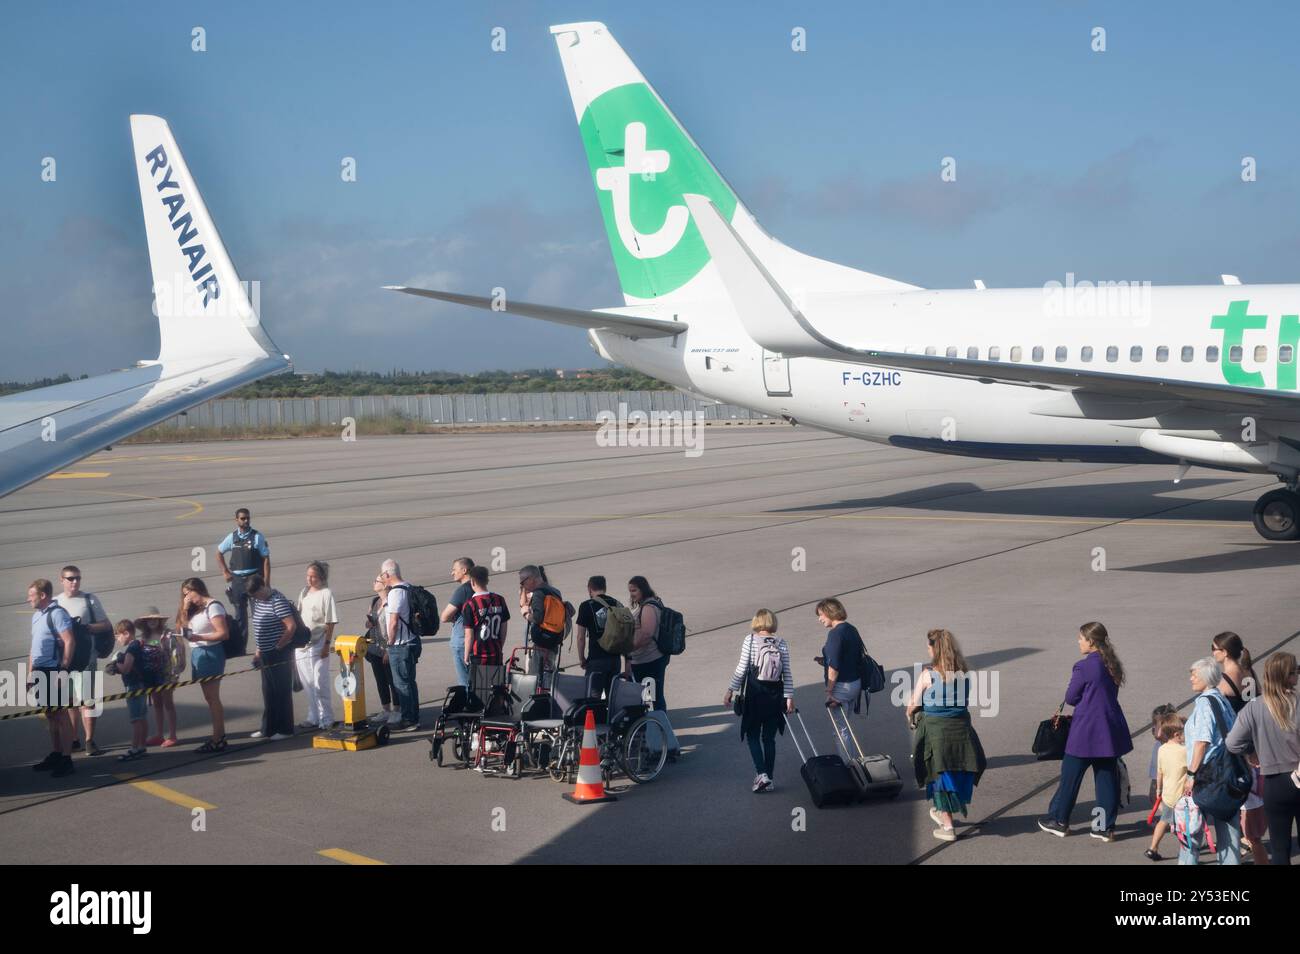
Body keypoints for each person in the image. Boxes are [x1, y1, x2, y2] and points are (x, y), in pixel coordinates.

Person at [1039, 622, 1132, 841]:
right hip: (1108, 731)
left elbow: (1071, 698)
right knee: (1106, 780)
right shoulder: (1112, 664)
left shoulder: (1084, 666)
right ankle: (1103, 827)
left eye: (1081, 638)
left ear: (1091, 641)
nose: (1078, 641)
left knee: (1070, 778)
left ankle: (1059, 820)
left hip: (1085, 732)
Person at [906, 629, 986, 841]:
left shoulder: (928, 674)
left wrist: (910, 713)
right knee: (957, 770)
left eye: (929, 645)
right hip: (961, 729)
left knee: (939, 772)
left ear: (935, 648)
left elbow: (913, 704)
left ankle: (948, 826)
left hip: (936, 730)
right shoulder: (964, 672)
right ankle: (946, 812)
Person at [1227, 652, 1300, 865]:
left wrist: (1251, 751)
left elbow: (1232, 743)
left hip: (1274, 783)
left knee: (1279, 847)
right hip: (1297, 774)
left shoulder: (1254, 706)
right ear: (1290, 677)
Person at [723, 609, 794, 794]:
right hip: (775, 695)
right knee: (769, 738)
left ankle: (762, 774)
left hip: (755, 694)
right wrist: (789, 698)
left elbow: (742, 667)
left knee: (752, 735)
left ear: (756, 622)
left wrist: (730, 690)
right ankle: (769, 779)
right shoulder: (781, 642)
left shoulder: (751, 640)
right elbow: (787, 672)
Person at [1211, 632, 1267, 860]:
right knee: (1252, 793)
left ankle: (1241, 843)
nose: (1212, 652)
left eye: (1214, 648)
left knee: (1235, 794)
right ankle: (1249, 838)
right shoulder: (1249, 673)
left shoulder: (1224, 681)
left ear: (1224, 652)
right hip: (1254, 739)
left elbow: (1219, 716)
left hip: (1236, 742)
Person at [1180, 655, 1242, 865]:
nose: (1191, 679)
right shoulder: (1221, 699)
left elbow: (1201, 742)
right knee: (1229, 828)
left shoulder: (1205, 703)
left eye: (1194, 675)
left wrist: (1191, 775)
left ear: (1206, 677)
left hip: (1206, 774)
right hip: (1226, 772)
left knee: (1191, 828)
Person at [54, 565, 110, 756]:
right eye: (70, 578)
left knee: (87, 700)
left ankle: (89, 739)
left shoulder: (89, 600)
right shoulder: (55, 602)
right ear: (62, 580)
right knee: (69, 701)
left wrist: (85, 628)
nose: (75, 582)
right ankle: (74, 738)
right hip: (65, 661)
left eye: (78, 578)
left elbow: (106, 625)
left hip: (87, 658)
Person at [26, 579, 76, 778]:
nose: (28, 599)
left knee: (61, 715)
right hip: (40, 670)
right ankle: (56, 753)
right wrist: (30, 672)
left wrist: (63, 667)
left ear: (43, 595)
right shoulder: (37, 616)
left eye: (31, 595)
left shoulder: (57, 614)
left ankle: (66, 759)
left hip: (53, 670)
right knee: (50, 714)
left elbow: (69, 640)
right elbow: (33, 647)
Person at [178, 578, 229, 752]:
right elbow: (183, 629)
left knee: (213, 697)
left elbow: (223, 633)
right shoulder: (193, 609)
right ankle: (219, 736)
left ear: (197, 590)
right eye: (184, 595)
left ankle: (218, 738)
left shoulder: (212, 606)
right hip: (198, 653)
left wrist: (200, 638)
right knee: (209, 698)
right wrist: (185, 609)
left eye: (188, 593)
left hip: (210, 653)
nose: (187, 598)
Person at [245, 573, 297, 740]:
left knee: (281, 690)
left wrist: (278, 646)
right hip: (265, 653)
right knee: (268, 691)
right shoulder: (259, 601)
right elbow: (259, 629)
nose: (255, 598)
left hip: (279, 653)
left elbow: (291, 626)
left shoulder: (277, 600)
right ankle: (268, 728)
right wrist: (258, 652)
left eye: (256, 594)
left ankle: (285, 729)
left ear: (262, 587)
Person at [215, 508, 270, 655]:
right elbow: (219, 552)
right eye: (242, 518)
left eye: (247, 518)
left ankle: (262, 645)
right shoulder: (232, 537)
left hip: (254, 579)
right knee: (240, 616)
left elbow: (266, 559)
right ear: (237, 520)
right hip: (238, 581)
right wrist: (225, 571)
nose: (245, 521)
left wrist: (266, 581)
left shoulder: (257, 537)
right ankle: (240, 648)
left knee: (259, 614)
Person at [815, 597, 863, 754]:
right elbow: (851, 656)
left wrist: (829, 691)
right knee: (845, 727)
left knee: (840, 730)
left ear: (830, 613)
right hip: (855, 683)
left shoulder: (835, 634)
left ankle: (850, 766)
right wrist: (824, 661)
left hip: (840, 687)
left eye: (821, 614)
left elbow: (834, 666)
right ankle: (853, 762)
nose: (820, 619)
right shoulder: (851, 629)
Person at [295, 561, 338, 732]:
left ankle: (326, 718)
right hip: (302, 644)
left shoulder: (326, 594)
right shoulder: (304, 592)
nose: (309, 579)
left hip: (319, 642)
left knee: (320, 682)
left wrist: (327, 645)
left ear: (321, 577)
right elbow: (298, 615)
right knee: (308, 683)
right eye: (308, 576)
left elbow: (331, 621)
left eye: (313, 576)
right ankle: (313, 716)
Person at [380, 559, 421, 731]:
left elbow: (394, 622)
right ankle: (413, 716)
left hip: (401, 644)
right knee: (410, 682)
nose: (382, 578)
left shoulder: (395, 593)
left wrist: (389, 643)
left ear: (387, 574)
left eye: (382, 575)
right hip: (412, 640)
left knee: (402, 684)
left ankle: (409, 720)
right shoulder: (408, 587)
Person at [106, 620, 154, 762]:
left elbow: (126, 668)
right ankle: (142, 746)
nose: (117, 640)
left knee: (136, 719)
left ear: (126, 633)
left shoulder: (132, 648)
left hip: (133, 686)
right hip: (143, 684)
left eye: (118, 636)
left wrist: (115, 664)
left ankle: (134, 748)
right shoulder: (140, 644)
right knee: (142, 716)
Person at [460, 565, 510, 691]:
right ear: (487, 581)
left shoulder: (470, 605)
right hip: (496, 653)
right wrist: (499, 645)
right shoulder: (499, 600)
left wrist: (466, 656)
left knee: (481, 690)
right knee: (497, 689)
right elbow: (504, 629)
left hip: (479, 655)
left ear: (472, 581)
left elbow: (469, 635)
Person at [1146, 711, 1187, 861]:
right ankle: (1186, 852)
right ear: (1177, 734)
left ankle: (1152, 848)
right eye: (1184, 733)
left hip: (1168, 795)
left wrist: (1158, 790)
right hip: (1181, 797)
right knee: (1185, 825)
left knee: (1163, 821)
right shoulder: (1184, 751)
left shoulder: (1161, 749)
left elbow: (1160, 772)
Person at [136, 608, 180, 748]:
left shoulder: (167, 635)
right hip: (151, 675)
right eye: (149, 619)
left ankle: (172, 735)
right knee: (157, 703)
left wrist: (175, 671)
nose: (152, 621)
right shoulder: (144, 637)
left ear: (160, 620)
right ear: (145, 622)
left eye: (155, 619)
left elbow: (175, 653)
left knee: (168, 703)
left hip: (166, 673)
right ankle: (159, 734)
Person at [575, 576, 624, 698]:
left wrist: (582, 658)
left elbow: (580, 637)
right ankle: (611, 717)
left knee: (592, 697)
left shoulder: (586, 606)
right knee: (613, 697)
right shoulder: (617, 604)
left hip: (596, 659)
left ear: (589, 589)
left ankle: (596, 717)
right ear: (605, 587)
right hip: (615, 660)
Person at [627, 575, 667, 712]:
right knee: (651, 696)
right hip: (647, 659)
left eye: (634, 591)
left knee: (654, 697)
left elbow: (647, 634)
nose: (631, 594)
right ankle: (655, 726)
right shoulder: (648, 604)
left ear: (643, 590)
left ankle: (658, 727)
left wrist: (630, 648)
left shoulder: (648, 607)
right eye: (630, 591)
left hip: (650, 660)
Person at [519, 564, 566, 675]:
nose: (523, 585)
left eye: (522, 582)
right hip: (554, 641)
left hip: (541, 644)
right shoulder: (555, 591)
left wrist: (525, 613)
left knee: (535, 679)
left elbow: (537, 618)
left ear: (531, 579)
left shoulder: (538, 594)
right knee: (548, 676)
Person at [364, 576, 399, 725]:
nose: (374, 582)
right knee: (380, 680)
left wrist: (389, 650)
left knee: (392, 680)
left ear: (385, 585)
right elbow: (369, 622)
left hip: (387, 647)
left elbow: (394, 626)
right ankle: (386, 709)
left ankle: (397, 710)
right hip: (374, 647)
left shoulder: (392, 602)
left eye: (377, 581)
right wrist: (369, 623)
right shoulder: (374, 601)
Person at [440, 558, 475, 689]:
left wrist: (453, 617)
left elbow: (444, 617)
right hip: (475, 639)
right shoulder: (477, 587)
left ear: (464, 570)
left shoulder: (463, 591)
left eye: (454, 569)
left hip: (461, 640)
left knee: (465, 681)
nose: (452, 573)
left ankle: (468, 705)